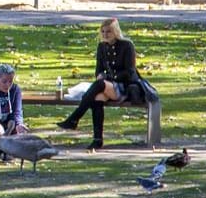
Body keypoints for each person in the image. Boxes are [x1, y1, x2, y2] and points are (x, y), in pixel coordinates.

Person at [57, 18, 142, 150]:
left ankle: (74, 118)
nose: (105, 34)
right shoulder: (101, 46)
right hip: (107, 85)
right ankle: (97, 139)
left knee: (99, 85)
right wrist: (100, 75)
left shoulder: (127, 45)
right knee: (97, 98)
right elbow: (98, 70)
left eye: (108, 31)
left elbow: (130, 72)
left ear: (115, 31)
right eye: (102, 32)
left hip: (125, 86)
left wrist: (108, 77)